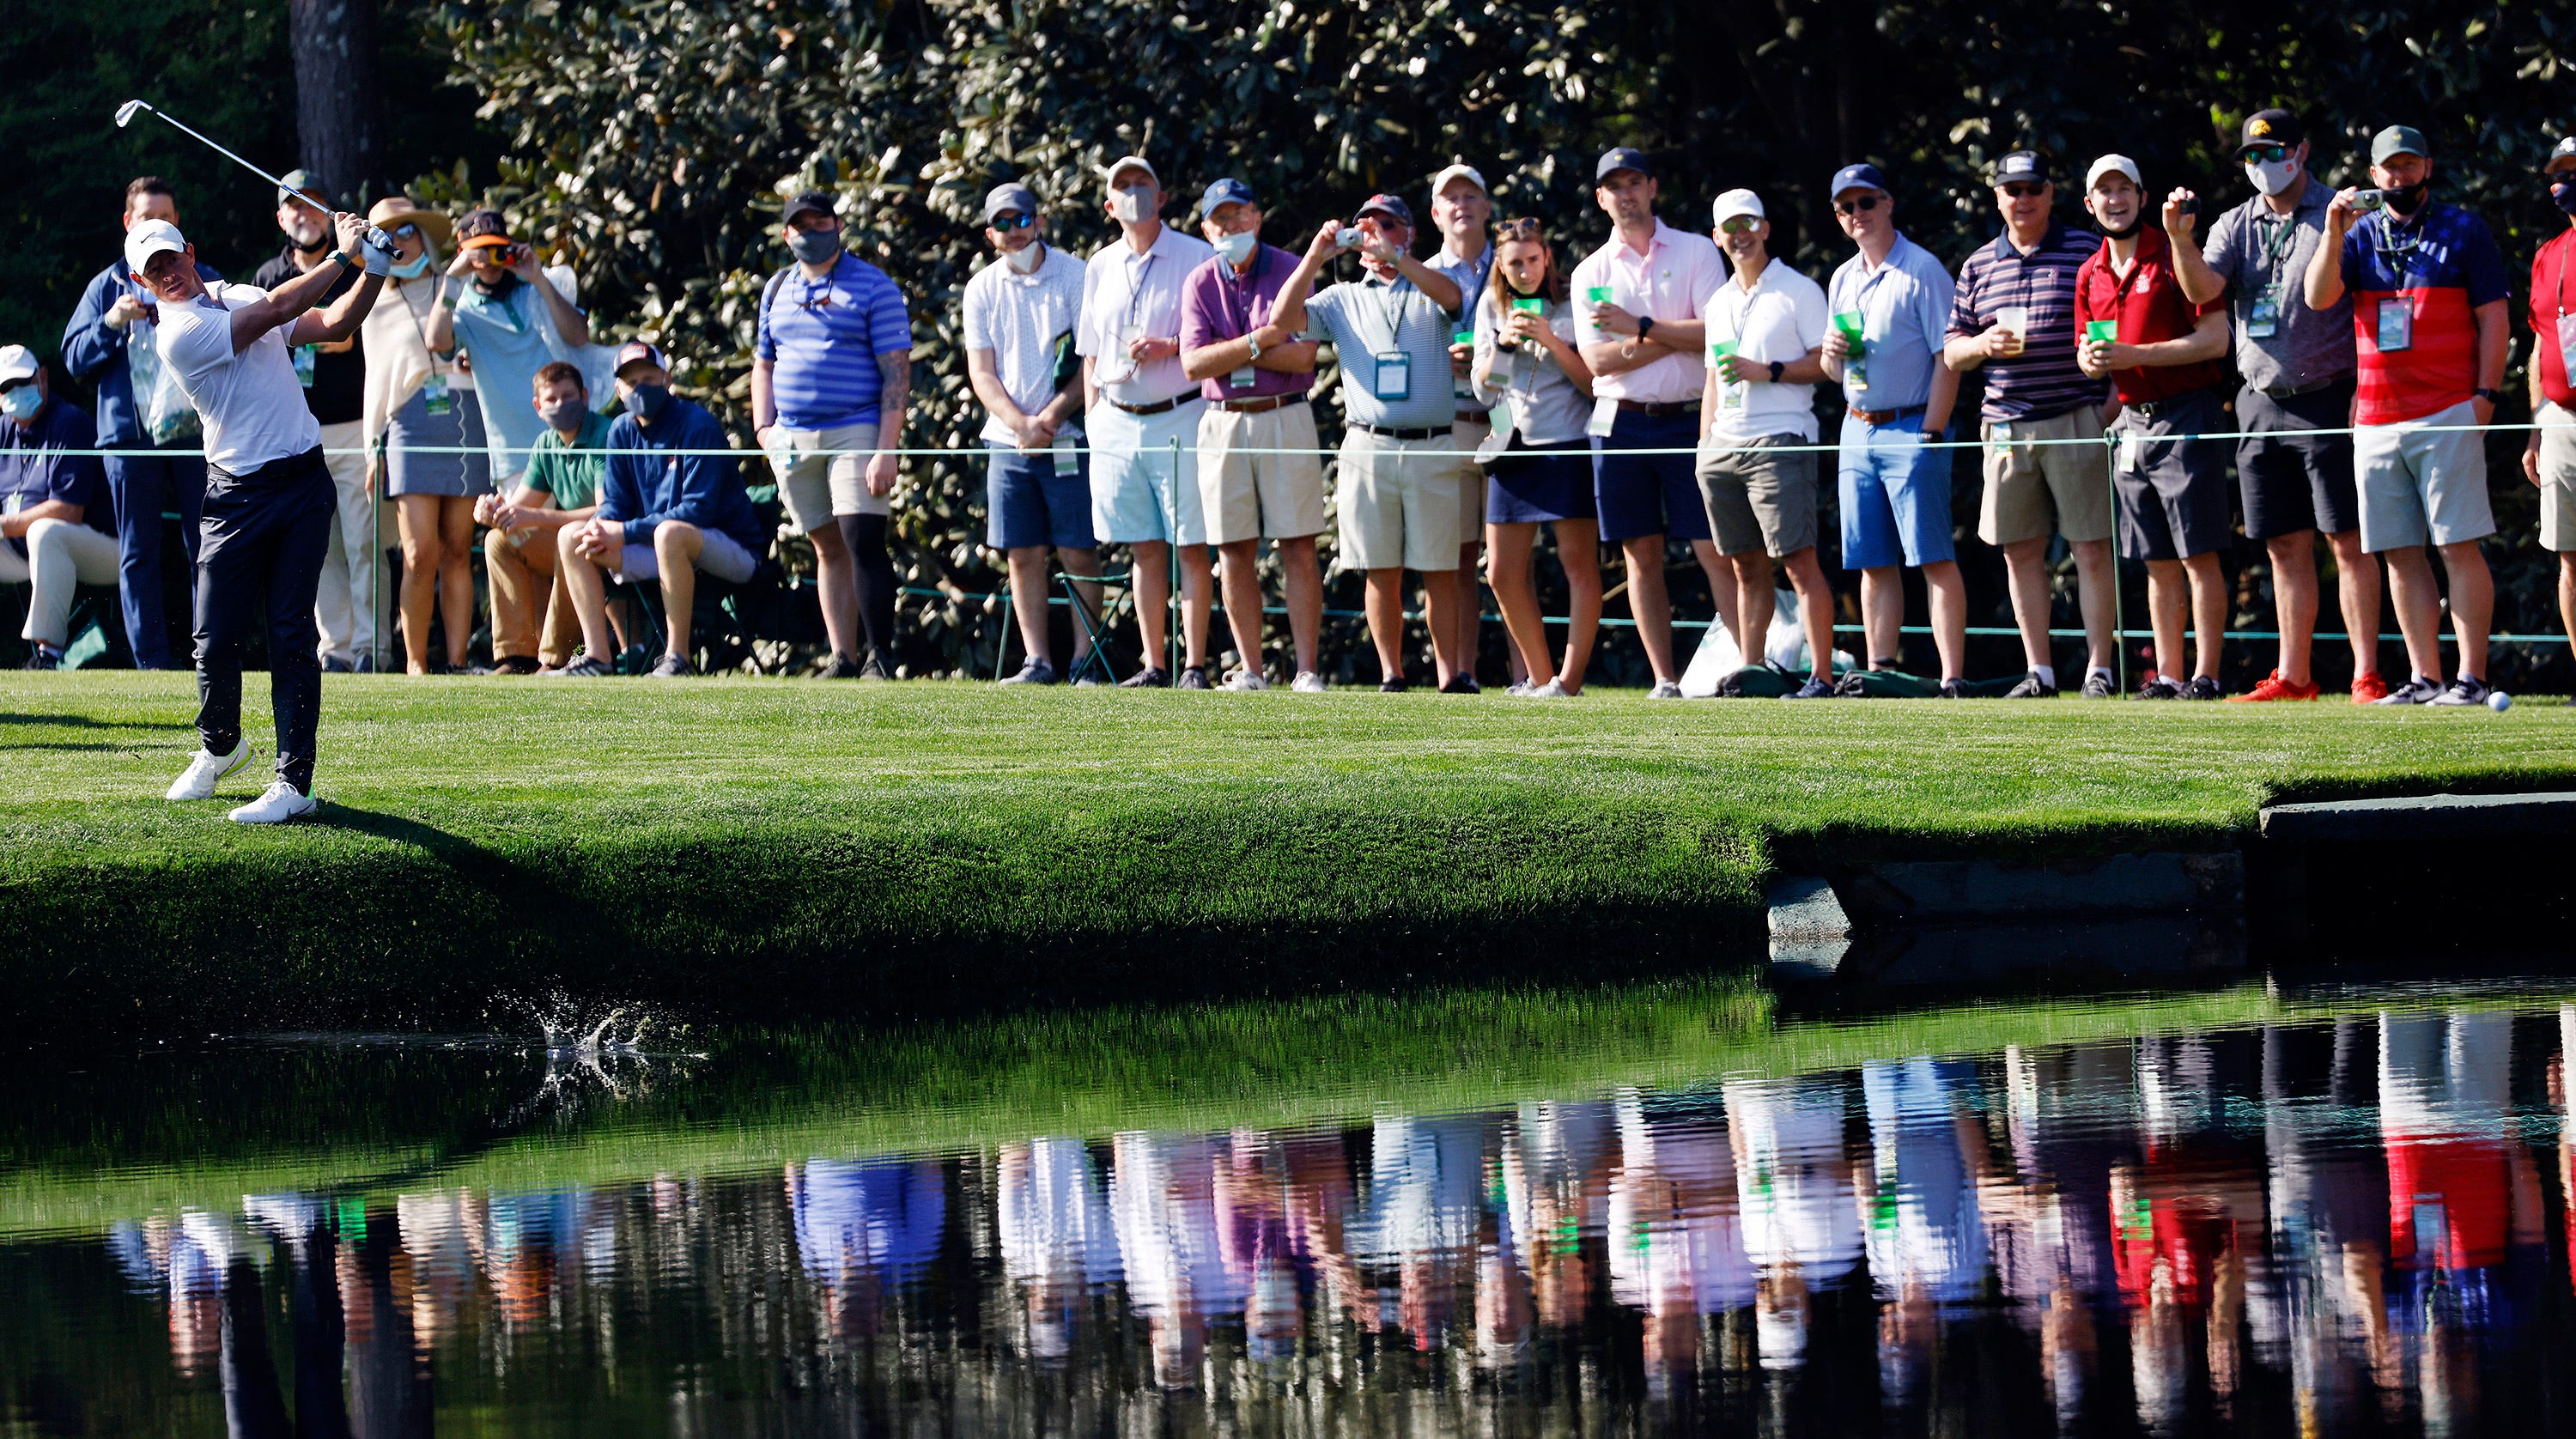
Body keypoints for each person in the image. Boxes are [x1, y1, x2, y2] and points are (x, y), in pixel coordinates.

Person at [139, 210, 388, 823]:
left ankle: (293, 782)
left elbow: (333, 323)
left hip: (302, 482)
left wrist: (375, 270)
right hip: (234, 495)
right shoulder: (176, 333)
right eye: (153, 270)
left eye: (171, 258)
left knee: (290, 634)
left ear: (189, 252)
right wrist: (345, 256)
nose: (166, 273)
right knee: (214, 637)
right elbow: (276, 312)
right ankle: (221, 747)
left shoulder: (244, 293)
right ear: (141, 282)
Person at [2170, 107, 2383, 702]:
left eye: (2273, 152)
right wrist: (2178, 240)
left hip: (2329, 395)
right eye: (2252, 157)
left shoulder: (2339, 211)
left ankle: (2366, 674)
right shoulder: (2236, 222)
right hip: (2258, 400)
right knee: (2284, 545)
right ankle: (2295, 676)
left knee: (2347, 540)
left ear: (2302, 151)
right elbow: (2202, 290)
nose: (2262, 165)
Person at [2302, 124, 2510, 707]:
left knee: (2458, 545)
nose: (2400, 175)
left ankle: (2470, 679)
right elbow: (2318, 298)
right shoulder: (2359, 234)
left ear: (2428, 167)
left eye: (2410, 164)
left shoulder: (2463, 228)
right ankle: (2426, 678)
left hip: (2446, 408)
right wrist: (2331, 234)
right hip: (2373, 417)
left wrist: (2485, 396)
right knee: (2398, 550)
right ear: (2373, 176)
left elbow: (2494, 318)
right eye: (2389, 168)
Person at [1944, 150, 2117, 700]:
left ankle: (2099, 671)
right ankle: (2038, 672)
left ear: (2050, 193)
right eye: (2012, 189)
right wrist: (1980, 344)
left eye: (2033, 189)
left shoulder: (2088, 250)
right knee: (2020, 551)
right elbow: (1951, 351)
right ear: (1997, 196)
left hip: (2074, 418)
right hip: (2005, 428)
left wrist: (2104, 411)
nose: (2022, 199)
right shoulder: (1977, 265)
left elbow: (2111, 334)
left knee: (2090, 548)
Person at [1293, 195, 1472, 691]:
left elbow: (1455, 299)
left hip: (1432, 443)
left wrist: (1398, 260)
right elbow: (1285, 320)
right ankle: (1392, 674)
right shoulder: (1340, 295)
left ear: (1409, 233)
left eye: (1388, 225)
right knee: (1380, 568)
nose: (1374, 234)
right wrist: (1315, 256)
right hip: (1368, 446)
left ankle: (1448, 675)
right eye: (1365, 228)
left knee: (1439, 568)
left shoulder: (1429, 283)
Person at [1571, 148, 1731, 699]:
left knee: (1713, 547)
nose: (1626, 194)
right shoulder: (1589, 271)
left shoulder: (1696, 251)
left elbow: (1716, 333)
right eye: (1614, 186)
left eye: (1634, 182)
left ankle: (1742, 669)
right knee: (1640, 555)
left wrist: (1637, 329)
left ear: (1652, 187)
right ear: (1601, 198)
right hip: (1619, 424)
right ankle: (1666, 679)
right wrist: (1669, 334)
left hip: (1690, 421)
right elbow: (1596, 362)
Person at [2075, 155, 2233, 699]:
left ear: (2142, 198)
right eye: (2104, 192)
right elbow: (2085, 350)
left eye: (2125, 189)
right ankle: (2167, 675)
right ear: (2089, 204)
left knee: (2197, 554)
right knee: (2156, 560)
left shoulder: (2173, 254)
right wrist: (2092, 363)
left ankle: (2206, 675)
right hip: (2130, 425)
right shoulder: (2089, 272)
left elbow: (2215, 340)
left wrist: (2130, 353)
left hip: (2188, 412)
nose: (2115, 200)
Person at [59, 177, 221, 670]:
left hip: (194, 434)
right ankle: (150, 663)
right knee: (138, 553)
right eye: (148, 218)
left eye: (168, 218)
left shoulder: (200, 275)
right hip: (127, 439)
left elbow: (235, 331)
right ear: (128, 222)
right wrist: (111, 323)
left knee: (207, 547)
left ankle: (209, 654)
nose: (159, 226)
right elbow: (72, 358)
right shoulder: (105, 285)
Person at [1819, 162, 1968, 695]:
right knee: (1871, 560)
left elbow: (1947, 357)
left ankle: (1951, 677)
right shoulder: (1842, 278)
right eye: (1846, 207)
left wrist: (1932, 430)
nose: (1857, 214)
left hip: (1913, 426)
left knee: (1932, 555)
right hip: (1856, 428)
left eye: (1865, 203)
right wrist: (1831, 357)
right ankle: (1879, 670)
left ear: (1887, 203)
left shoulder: (1922, 270)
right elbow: (1832, 371)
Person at [754, 188, 912, 680]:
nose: (811, 233)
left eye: (820, 223)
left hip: (856, 426)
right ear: (786, 234)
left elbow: (897, 374)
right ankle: (843, 656)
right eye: (801, 226)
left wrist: (886, 450)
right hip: (792, 438)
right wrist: (763, 428)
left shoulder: (873, 286)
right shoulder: (777, 289)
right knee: (824, 544)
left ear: (837, 226)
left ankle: (879, 658)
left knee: (861, 536)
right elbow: (764, 363)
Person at [1177, 177, 1327, 692]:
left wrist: (1234, 348)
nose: (1232, 225)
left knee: (1298, 544)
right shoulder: (1199, 281)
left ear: (1257, 218)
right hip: (1223, 423)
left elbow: (1304, 356)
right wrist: (1261, 341)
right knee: (1232, 550)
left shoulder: (1290, 268)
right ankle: (1253, 672)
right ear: (1206, 228)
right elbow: (1194, 364)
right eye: (1221, 218)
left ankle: (1306, 670)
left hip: (1286, 412)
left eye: (1240, 215)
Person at [1076, 155, 1217, 688]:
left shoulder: (1196, 256)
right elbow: (1088, 352)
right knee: (1142, 545)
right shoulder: (1099, 265)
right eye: (1123, 187)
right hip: (1115, 418)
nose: (1134, 193)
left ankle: (1196, 665)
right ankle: (1154, 665)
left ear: (1161, 198)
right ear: (1110, 206)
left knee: (1192, 545)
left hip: (1182, 415)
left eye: (1144, 185)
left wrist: (1172, 347)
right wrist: (1092, 415)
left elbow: (1217, 338)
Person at [1695, 189, 1835, 698]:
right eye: (1730, 227)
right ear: (1717, 237)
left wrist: (1768, 371)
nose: (1740, 234)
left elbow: (1827, 365)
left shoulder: (1799, 290)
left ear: (1765, 227)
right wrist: (1704, 445)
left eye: (1749, 223)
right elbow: (1712, 379)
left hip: (1781, 438)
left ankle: (1820, 677)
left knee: (1798, 562)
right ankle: (1750, 673)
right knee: (1744, 567)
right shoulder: (1718, 302)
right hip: (1722, 448)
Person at [553, 342, 764, 677]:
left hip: (731, 552)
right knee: (571, 537)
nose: (641, 388)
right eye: (632, 383)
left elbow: (699, 510)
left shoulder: (698, 425)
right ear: (618, 390)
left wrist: (623, 532)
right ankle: (597, 657)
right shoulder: (621, 430)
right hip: (662, 548)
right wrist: (603, 525)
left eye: (649, 379)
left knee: (670, 533)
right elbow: (616, 503)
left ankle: (677, 658)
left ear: (667, 380)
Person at [964, 181, 1101, 685]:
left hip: (1068, 436)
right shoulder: (981, 288)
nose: (1014, 231)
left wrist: (1052, 416)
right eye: (1002, 224)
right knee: (1022, 553)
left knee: (1079, 550)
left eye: (1021, 220)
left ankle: (1084, 661)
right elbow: (981, 372)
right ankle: (1037, 661)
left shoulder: (1075, 273)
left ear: (1038, 222)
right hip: (1008, 440)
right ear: (989, 234)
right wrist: (1022, 425)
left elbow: (1091, 359)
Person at [355, 196, 488, 675]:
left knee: (458, 548)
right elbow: (377, 382)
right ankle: (415, 664)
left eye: (408, 231)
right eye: (387, 236)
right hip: (408, 423)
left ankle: (455, 662)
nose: (401, 242)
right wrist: (374, 448)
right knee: (418, 552)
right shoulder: (373, 304)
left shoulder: (456, 285)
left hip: (466, 413)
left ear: (424, 237)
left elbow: (482, 339)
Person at [253, 171, 380, 674]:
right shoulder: (267, 275)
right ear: (281, 218)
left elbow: (344, 334)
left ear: (330, 213)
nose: (304, 214)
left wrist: (299, 329)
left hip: (352, 423)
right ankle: (338, 649)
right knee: (318, 545)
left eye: (313, 204)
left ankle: (373, 647)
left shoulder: (354, 266)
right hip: (295, 432)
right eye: (294, 206)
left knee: (362, 540)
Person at [1472, 217, 1599, 696]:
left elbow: (1592, 384)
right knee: (1501, 572)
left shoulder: (1573, 303)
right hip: (1512, 446)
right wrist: (1503, 345)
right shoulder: (1491, 305)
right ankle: (1541, 677)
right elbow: (1486, 392)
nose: (1524, 271)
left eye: (1532, 260)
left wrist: (1549, 339)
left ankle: (1569, 682)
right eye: (1514, 264)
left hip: (1568, 444)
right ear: (1501, 269)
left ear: (1547, 257)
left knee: (1579, 564)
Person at [477, 361, 614, 672]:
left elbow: (606, 511)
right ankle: (517, 656)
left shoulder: (604, 435)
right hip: (575, 540)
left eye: (568, 396)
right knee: (499, 540)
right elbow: (518, 511)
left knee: (570, 541)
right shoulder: (545, 444)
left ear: (585, 396)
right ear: (538, 407)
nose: (561, 404)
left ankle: (554, 659)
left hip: (609, 542)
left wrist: (531, 515)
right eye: (552, 399)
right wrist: (490, 511)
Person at [0, 346, 119, 670]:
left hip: (103, 548)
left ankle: (47, 656)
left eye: (23, 381)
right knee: (40, 534)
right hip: (22, 551)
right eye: (6, 388)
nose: (15, 392)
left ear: (42, 378)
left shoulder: (70, 423)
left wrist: (3, 526)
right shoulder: (3, 429)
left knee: (45, 531)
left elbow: (68, 511)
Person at [1425, 161, 1496, 676]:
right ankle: (1460, 675)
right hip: (1449, 424)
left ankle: (1529, 677)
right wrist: (1438, 359)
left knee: (1511, 561)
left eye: (1472, 196)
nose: (1462, 205)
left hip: (1507, 424)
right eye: (1452, 198)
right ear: (1436, 213)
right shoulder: (1421, 273)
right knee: (1456, 561)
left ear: (1487, 208)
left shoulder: (1513, 265)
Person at [2524, 135, 2576, 698]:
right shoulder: (2549, 254)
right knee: (2571, 558)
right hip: (2561, 420)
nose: (2564, 182)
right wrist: (2536, 428)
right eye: (2558, 172)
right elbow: (2541, 345)